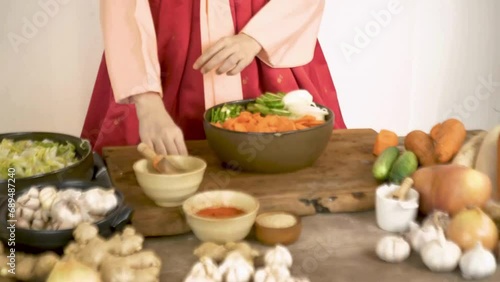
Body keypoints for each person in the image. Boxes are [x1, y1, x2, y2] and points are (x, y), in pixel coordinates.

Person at [81, 0, 347, 156]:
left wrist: (256, 37)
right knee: (143, 184)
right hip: (161, 58)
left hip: (264, 50)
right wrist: (147, 103)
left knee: (289, 177)